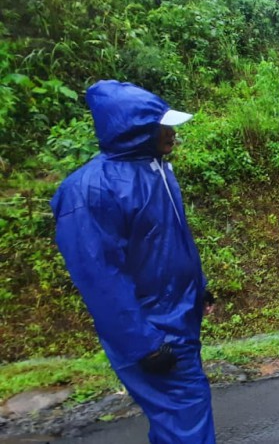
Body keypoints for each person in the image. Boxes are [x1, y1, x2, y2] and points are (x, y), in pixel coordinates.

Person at [50, 80, 216, 443]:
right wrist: (145, 344)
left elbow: (171, 243)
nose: (172, 134)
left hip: (179, 316)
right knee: (186, 416)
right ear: (137, 130)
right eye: (164, 126)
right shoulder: (90, 191)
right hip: (151, 330)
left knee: (179, 418)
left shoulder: (158, 171)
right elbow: (100, 278)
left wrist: (198, 289)